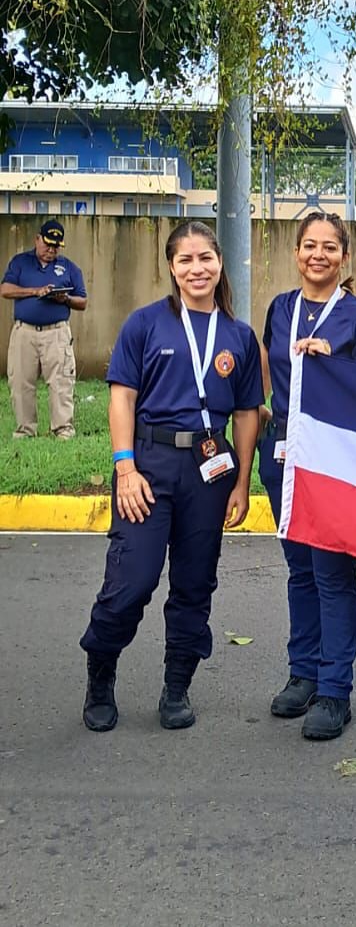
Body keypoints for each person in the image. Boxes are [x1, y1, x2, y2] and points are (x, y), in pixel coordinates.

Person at [79, 221, 262, 733]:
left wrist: (242, 483)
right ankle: (100, 674)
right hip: (149, 465)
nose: (197, 269)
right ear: (171, 267)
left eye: (206, 258)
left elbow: (247, 412)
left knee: (194, 583)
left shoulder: (238, 336)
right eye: (186, 260)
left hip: (209, 471)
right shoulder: (145, 324)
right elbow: (122, 397)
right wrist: (125, 468)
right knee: (131, 581)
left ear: (220, 263)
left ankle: (177, 685)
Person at [258, 212, 356, 741]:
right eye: (309, 246)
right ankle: (304, 673)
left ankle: (335, 690)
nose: (319, 255)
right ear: (296, 253)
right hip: (284, 453)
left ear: (344, 257)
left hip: (334, 460)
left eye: (330, 247)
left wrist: (335, 363)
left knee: (332, 573)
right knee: (300, 571)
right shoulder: (281, 308)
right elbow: (270, 364)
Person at [1, 220, 88, 439]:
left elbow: (83, 301)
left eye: (56, 246)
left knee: (61, 382)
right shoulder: (20, 262)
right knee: (20, 382)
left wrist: (65, 298)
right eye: (48, 244)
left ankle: (63, 429)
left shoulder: (69, 267)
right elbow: (6, 290)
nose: (51, 250)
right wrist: (35, 291)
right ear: (37, 239)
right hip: (24, 331)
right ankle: (25, 429)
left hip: (56, 332)